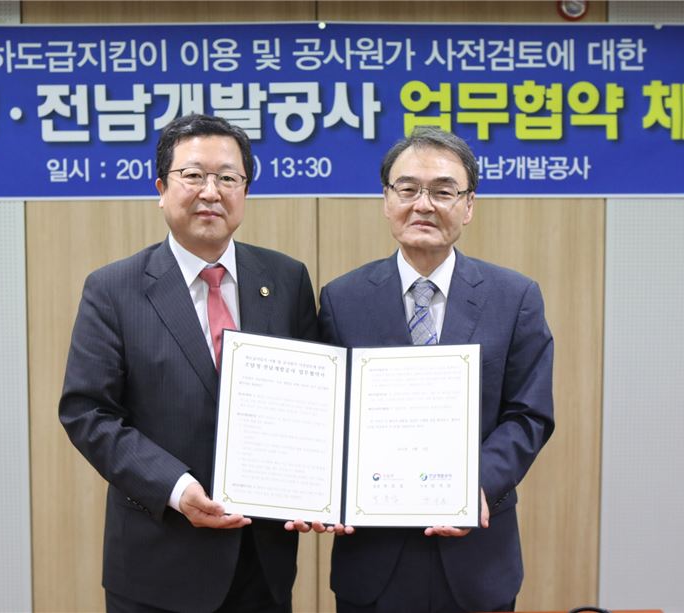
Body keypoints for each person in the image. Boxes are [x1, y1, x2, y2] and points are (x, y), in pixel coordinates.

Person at [60, 114, 319, 613]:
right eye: (194, 175)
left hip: (262, 564)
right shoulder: (113, 289)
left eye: (228, 177)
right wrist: (175, 488)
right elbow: (87, 412)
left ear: (245, 190)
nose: (211, 192)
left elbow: (314, 403)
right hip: (159, 561)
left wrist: (316, 487)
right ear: (161, 188)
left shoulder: (287, 279)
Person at [316, 128, 554, 613]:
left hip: (477, 559)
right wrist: (325, 489)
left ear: (468, 205)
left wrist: (472, 485)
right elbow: (326, 416)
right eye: (408, 189)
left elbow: (528, 414)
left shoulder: (514, 297)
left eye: (443, 191)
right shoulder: (342, 299)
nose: (423, 205)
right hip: (373, 559)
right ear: (387, 200)